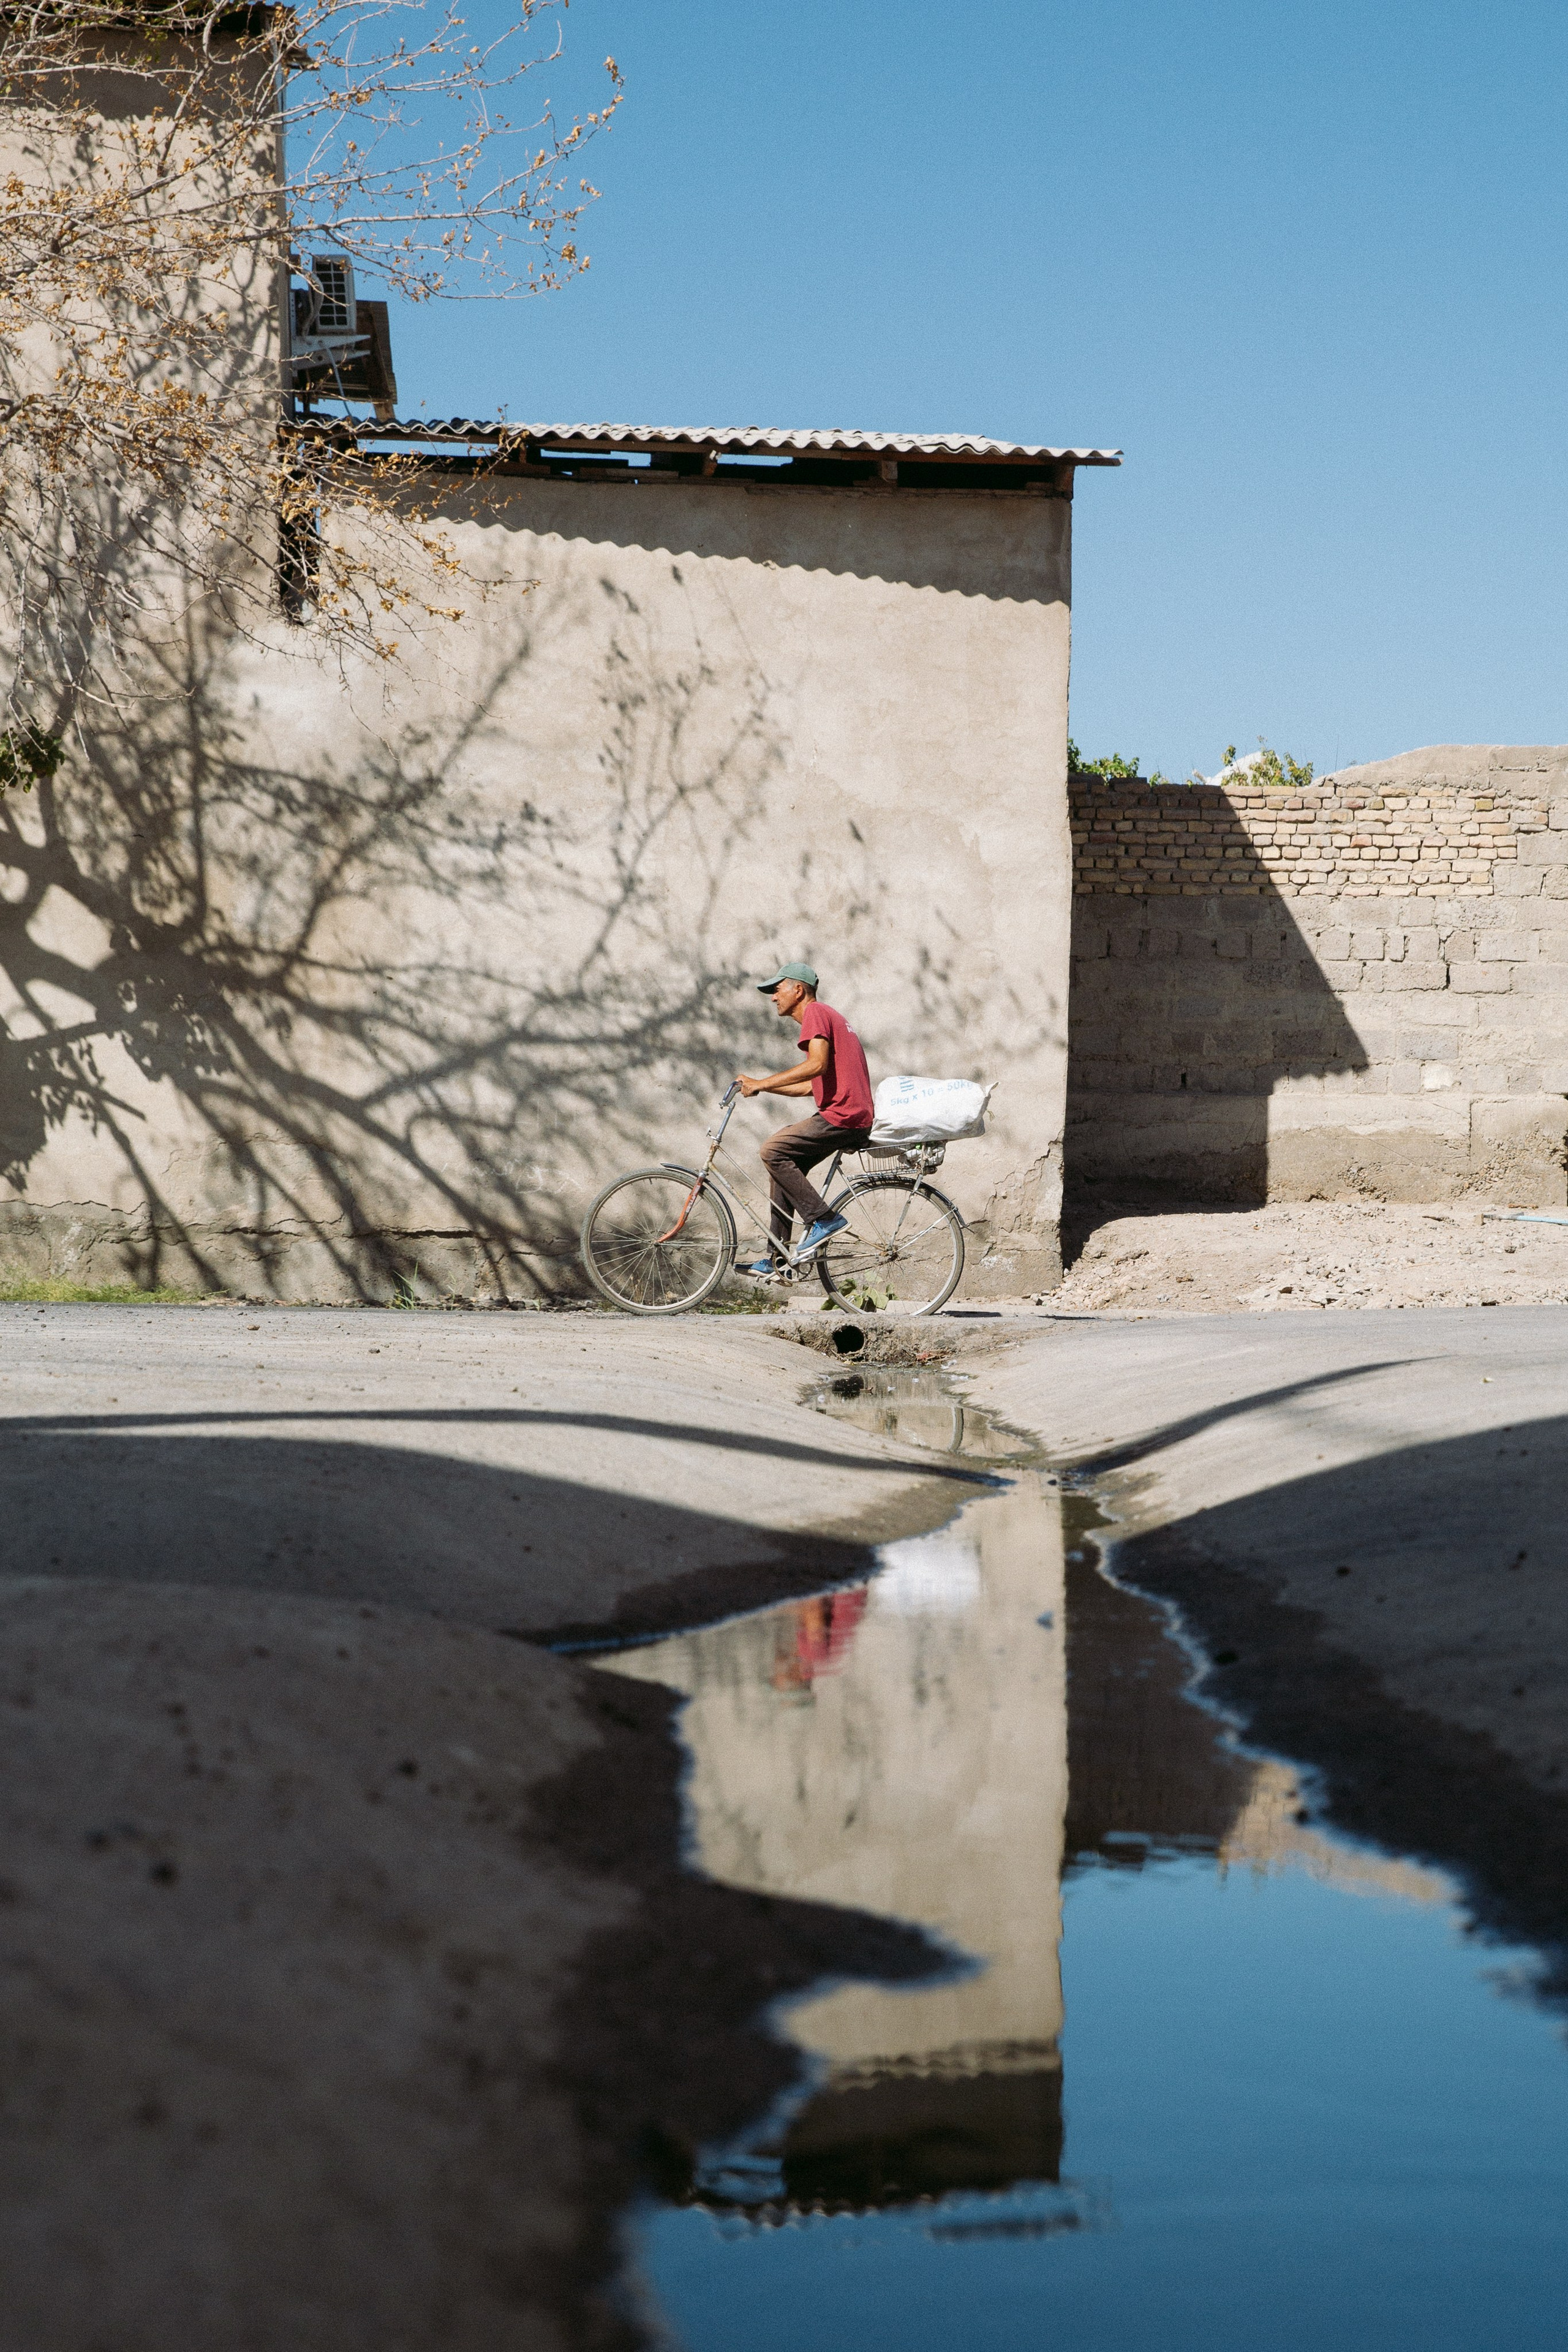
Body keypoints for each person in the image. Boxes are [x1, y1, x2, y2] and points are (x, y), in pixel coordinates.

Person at [737, 963, 875, 1275]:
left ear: (798, 990)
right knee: (784, 1169)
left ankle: (824, 1219)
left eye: (777, 989)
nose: (773, 998)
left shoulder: (815, 1014)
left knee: (772, 1151)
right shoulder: (827, 1016)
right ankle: (778, 1261)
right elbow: (809, 1085)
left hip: (844, 1115)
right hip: (849, 1114)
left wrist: (762, 1082)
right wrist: (764, 1087)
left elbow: (816, 1066)